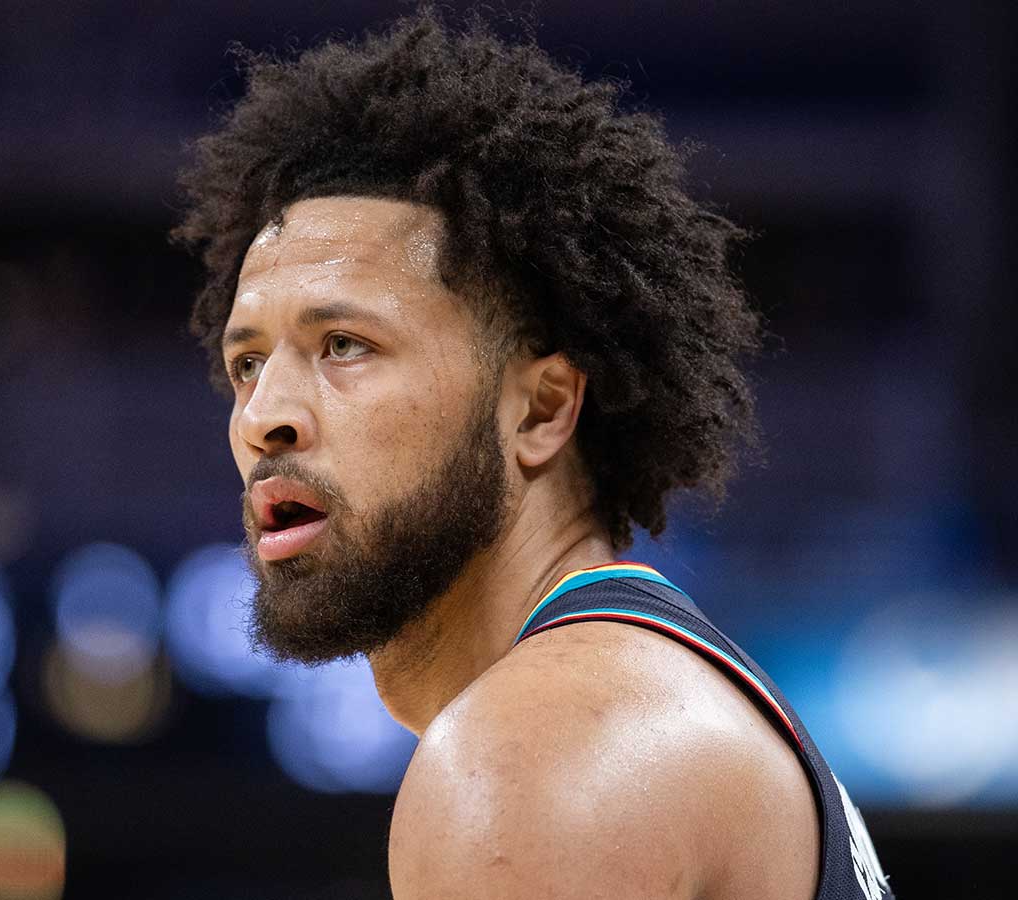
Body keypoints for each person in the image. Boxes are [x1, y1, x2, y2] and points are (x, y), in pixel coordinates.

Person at [173, 9, 893, 900]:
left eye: (344, 345)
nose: (263, 418)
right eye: (247, 363)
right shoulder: (640, 689)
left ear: (543, 409)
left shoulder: (534, 758)